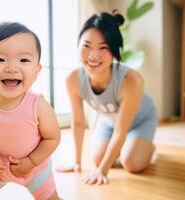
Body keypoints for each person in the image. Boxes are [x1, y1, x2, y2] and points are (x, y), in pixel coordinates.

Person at [57, 11, 157, 185]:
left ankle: (147, 147)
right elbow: (79, 122)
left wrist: (102, 171)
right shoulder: (73, 79)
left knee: (131, 163)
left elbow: (121, 131)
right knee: (98, 158)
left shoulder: (131, 80)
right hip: (108, 122)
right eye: (86, 45)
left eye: (103, 48)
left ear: (115, 51)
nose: (93, 56)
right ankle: (128, 148)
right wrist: (77, 163)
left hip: (140, 121)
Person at [0, 22, 61, 200]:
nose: (11, 67)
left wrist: (32, 161)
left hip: (34, 169)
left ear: (36, 71)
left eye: (24, 60)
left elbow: (53, 138)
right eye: (0, 59)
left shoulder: (38, 105)